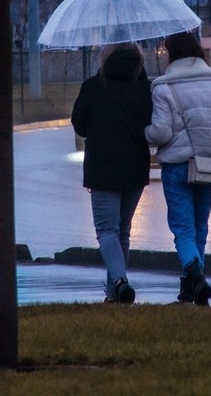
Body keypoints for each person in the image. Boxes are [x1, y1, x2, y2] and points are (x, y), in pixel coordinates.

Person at [145, 32, 211, 305]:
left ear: (172, 55)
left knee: (182, 230)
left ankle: (195, 277)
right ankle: (191, 286)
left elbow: (159, 133)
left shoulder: (163, 88)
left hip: (177, 168)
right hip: (208, 167)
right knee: (199, 228)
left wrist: (142, 131)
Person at [71, 42, 153, 304]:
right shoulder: (145, 88)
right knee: (122, 232)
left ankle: (119, 281)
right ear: (139, 59)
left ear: (105, 57)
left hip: (102, 168)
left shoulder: (94, 87)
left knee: (107, 231)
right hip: (136, 167)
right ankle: (114, 294)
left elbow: (79, 126)